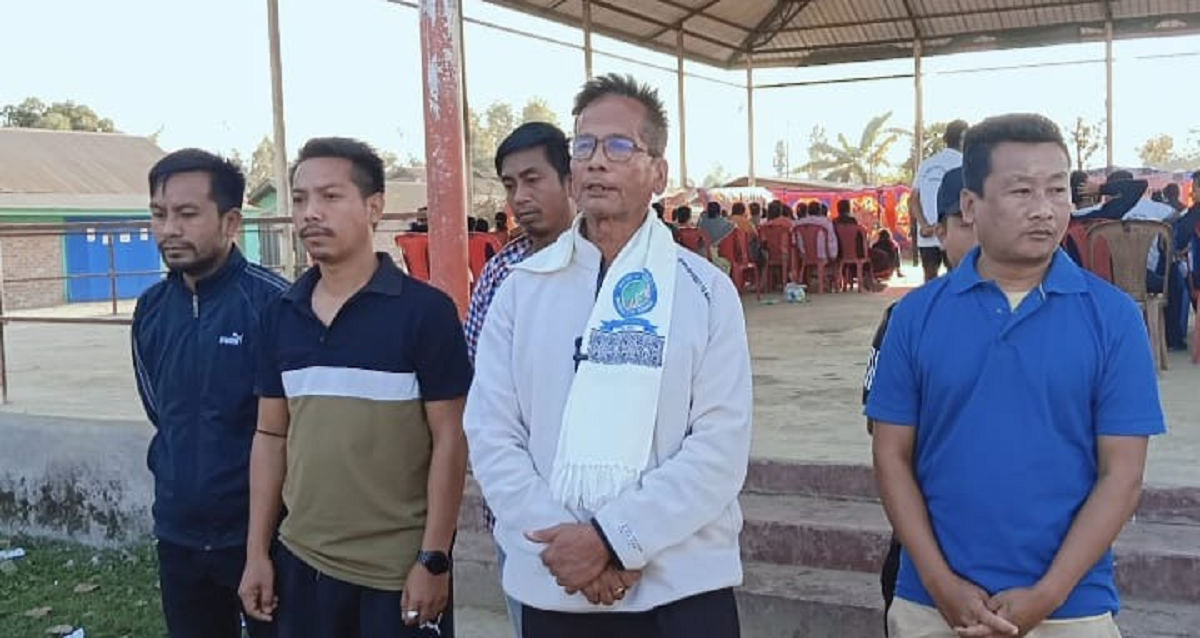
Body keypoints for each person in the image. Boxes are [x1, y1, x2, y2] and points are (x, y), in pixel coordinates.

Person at [464, 73, 752, 638]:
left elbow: (719, 447)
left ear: (658, 173)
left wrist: (615, 539)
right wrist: (569, 544)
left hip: (680, 585)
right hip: (556, 579)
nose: (596, 160)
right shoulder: (522, 290)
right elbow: (492, 432)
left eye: (619, 146)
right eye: (584, 145)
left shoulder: (704, 292)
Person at [868, 114, 1165, 638]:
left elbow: (1122, 476)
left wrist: (1046, 596)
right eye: (1022, 190)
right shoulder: (915, 317)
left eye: (1057, 190)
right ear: (970, 205)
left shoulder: (1114, 318)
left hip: (1072, 608)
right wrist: (940, 584)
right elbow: (891, 457)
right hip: (931, 605)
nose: (1044, 209)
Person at [239, 137, 472, 638]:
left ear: (374, 207)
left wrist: (433, 558)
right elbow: (271, 436)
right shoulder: (280, 314)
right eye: (300, 199)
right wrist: (258, 552)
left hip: (396, 573)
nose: (310, 212)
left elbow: (451, 439)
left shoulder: (425, 314)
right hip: (302, 562)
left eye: (330, 196)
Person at [133, 149, 288, 638]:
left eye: (187, 214)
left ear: (231, 221)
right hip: (178, 535)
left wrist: (261, 541)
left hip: (264, 539)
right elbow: (160, 411)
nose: (169, 230)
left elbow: (292, 428)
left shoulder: (274, 305)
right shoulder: (151, 310)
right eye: (159, 214)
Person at [464, 121, 576, 638]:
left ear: (571, 180)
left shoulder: (621, 272)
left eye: (533, 180)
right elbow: (483, 398)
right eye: (511, 186)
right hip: (521, 512)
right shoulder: (501, 273)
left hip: (607, 514)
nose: (520, 198)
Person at [862, 166, 977, 636]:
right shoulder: (906, 319)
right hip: (927, 542)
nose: (981, 233)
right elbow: (883, 433)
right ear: (940, 231)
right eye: (965, 223)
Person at [911, 119, 969, 282]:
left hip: (927, 234)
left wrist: (924, 225)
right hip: (953, 232)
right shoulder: (965, 163)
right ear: (963, 138)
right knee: (957, 278)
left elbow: (913, 199)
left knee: (930, 280)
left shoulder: (926, 164)